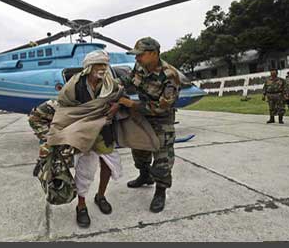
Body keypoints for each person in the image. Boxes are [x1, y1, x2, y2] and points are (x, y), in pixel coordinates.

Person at [45, 50, 136, 227]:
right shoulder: (75, 85)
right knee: (84, 170)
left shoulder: (111, 83)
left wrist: (115, 107)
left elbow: (121, 97)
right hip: (84, 133)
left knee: (108, 166)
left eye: (104, 64)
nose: (103, 68)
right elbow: (65, 106)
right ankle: (81, 206)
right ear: (89, 67)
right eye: (99, 65)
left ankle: (100, 196)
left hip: (105, 131)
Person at [119, 37, 182, 213]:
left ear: (154, 54)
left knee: (162, 158)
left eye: (140, 55)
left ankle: (160, 192)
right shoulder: (140, 66)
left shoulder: (170, 76)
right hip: (142, 116)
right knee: (139, 150)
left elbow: (163, 107)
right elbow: (131, 80)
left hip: (162, 119)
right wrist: (118, 85)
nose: (137, 59)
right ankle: (145, 176)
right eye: (136, 55)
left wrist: (132, 105)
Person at [28, 85, 62, 177]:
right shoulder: (61, 105)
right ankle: (43, 161)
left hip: (46, 119)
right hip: (37, 121)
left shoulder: (63, 102)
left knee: (50, 138)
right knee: (49, 140)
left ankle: (46, 159)